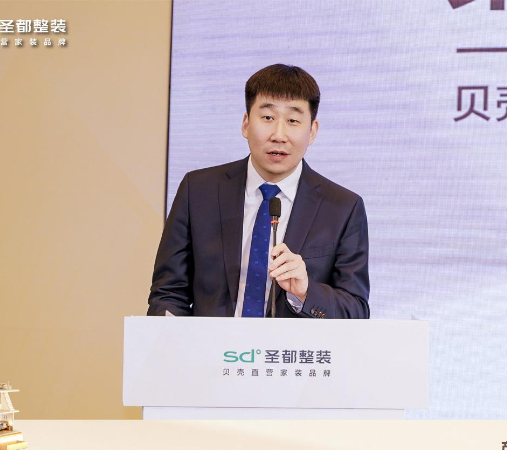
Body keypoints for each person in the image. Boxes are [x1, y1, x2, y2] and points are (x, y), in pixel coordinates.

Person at [148, 64, 369, 319]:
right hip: (211, 344)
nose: (279, 135)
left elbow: (356, 310)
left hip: (290, 346)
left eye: (293, 121)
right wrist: (170, 332)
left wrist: (306, 292)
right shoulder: (198, 191)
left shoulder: (343, 208)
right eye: (267, 118)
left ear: (312, 131)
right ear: (245, 124)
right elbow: (168, 292)